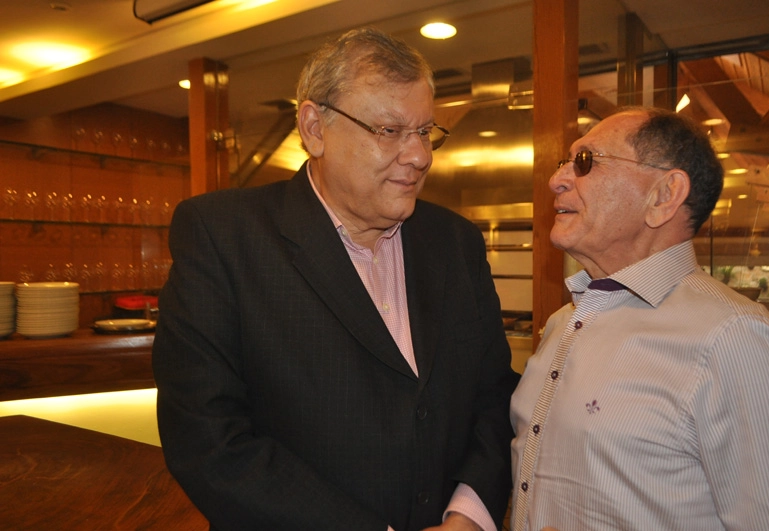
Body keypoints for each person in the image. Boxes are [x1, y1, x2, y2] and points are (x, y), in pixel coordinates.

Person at [153, 27, 519, 531]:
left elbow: (494, 395)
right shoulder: (223, 236)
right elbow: (208, 440)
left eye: (424, 131)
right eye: (389, 130)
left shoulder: (456, 242)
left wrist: (469, 514)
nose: (420, 156)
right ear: (314, 128)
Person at [510, 107, 769, 531]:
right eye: (564, 163)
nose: (557, 180)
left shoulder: (735, 339)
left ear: (664, 195)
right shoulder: (562, 323)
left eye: (586, 161)